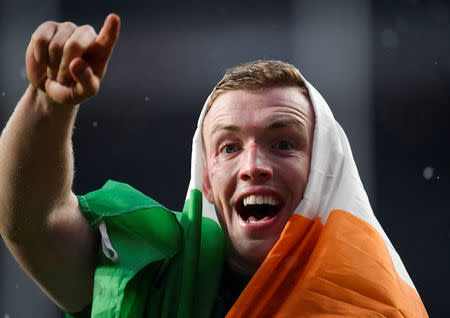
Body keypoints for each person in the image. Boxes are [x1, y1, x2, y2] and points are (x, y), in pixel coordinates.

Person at [0, 13, 428, 317]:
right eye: (228, 148)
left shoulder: (376, 307)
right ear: (205, 176)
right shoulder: (157, 273)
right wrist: (47, 106)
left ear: (324, 173)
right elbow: (34, 221)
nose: (253, 166)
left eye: (283, 143)